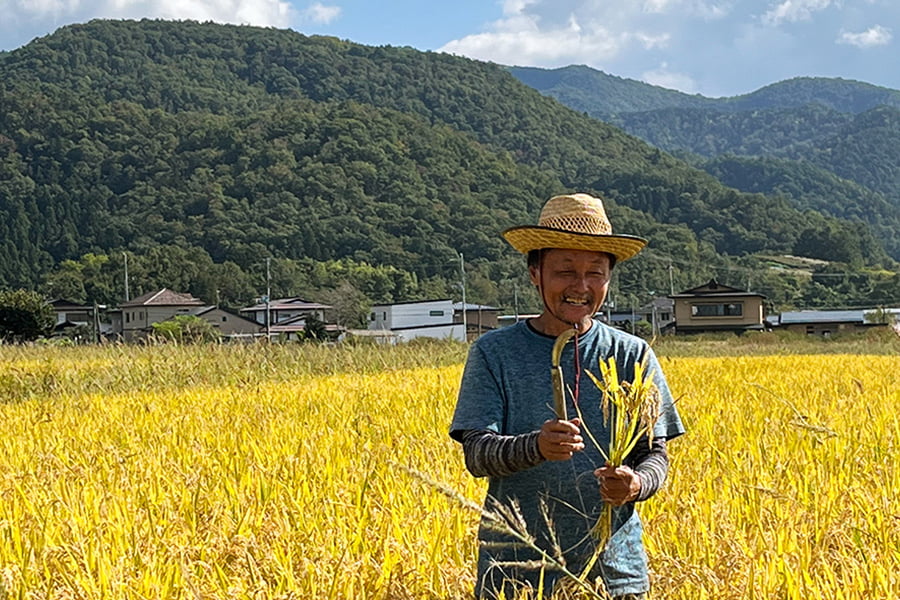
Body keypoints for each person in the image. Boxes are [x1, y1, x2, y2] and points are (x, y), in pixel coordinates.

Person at [450, 193, 685, 599]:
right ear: (534, 272)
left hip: (613, 575)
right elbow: (477, 454)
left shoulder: (632, 355)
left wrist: (635, 485)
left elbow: (655, 454)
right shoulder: (494, 353)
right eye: (565, 271)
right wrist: (535, 446)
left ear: (609, 278)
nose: (581, 286)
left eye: (595, 272)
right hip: (516, 572)